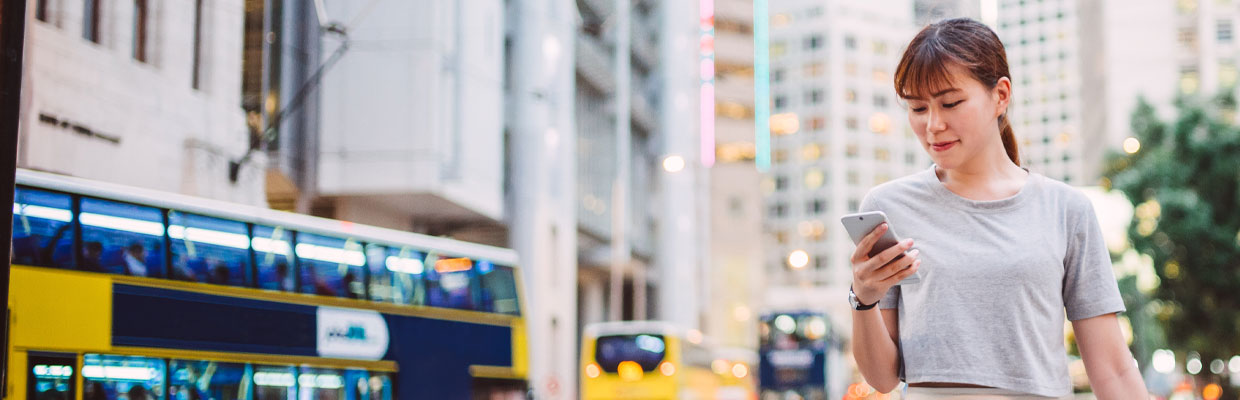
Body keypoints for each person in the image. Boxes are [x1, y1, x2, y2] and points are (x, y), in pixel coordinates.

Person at [848, 18, 1148, 399]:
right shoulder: (887, 206)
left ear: (1000, 95)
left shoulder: (1066, 208)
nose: (933, 124)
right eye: (917, 108)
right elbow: (882, 378)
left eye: (951, 103)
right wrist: (863, 298)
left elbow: (1114, 370)